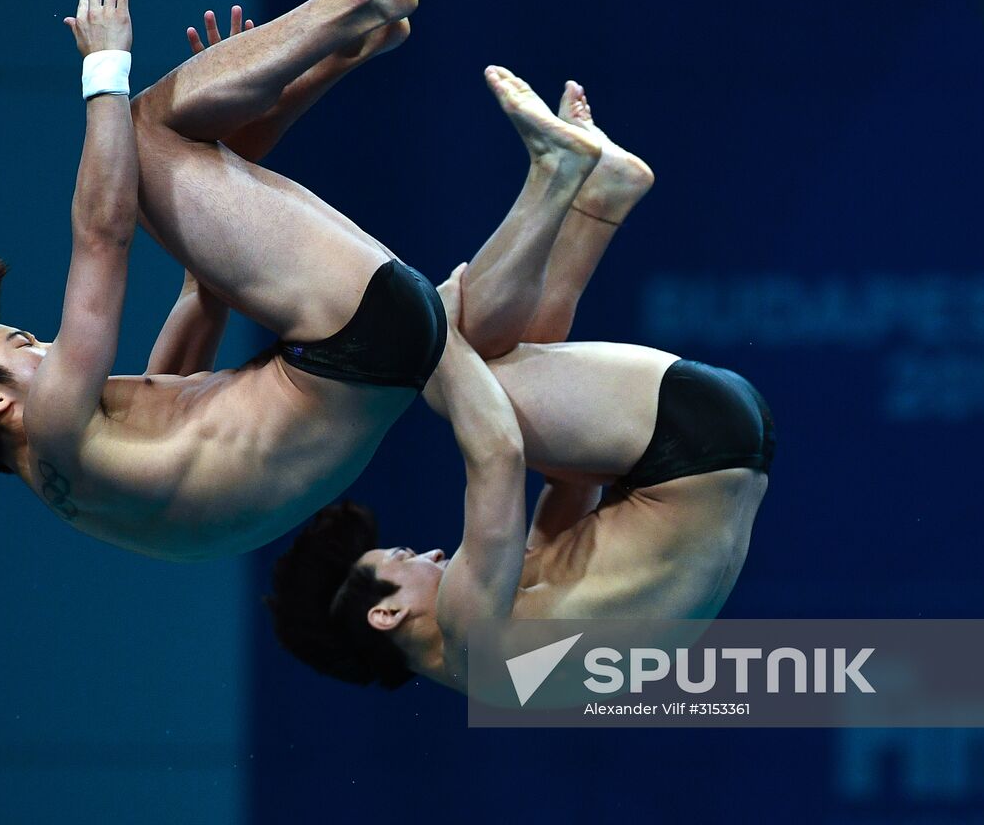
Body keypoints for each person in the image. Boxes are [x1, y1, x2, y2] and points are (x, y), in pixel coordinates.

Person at [0, 0, 601, 563]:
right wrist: (105, 67)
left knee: (181, 147)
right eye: (24, 343)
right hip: (351, 340)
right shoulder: (56, 425)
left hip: (394, 351)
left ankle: (390, 59)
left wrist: (300, 75)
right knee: (138, 132)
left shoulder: (96, 479)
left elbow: (210, 287)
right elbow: (104, 231)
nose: (49, 342)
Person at [265, 81, 776, 693]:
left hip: (725, 440)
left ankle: (600, 194)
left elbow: (570, 476)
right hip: (683, 445)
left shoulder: (508, 669)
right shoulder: (471, 633)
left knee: (484, 368)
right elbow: (501, 452)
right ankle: (561, 178)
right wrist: (431, 334)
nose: (431, 555)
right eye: (404, 562)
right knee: (434, 376)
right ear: (388, 613)